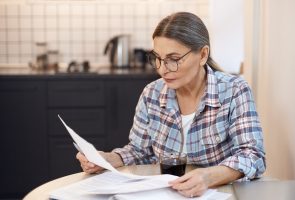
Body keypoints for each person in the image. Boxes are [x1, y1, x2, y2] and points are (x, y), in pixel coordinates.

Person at [77, 12, 266, 198]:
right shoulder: (151, 93)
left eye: (173, 59)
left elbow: (253, 155)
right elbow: (140, 151)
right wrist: (110, 159)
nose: (162, 69)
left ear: (202, 54)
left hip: (219, 193)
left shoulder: (234, 91)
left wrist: (209, 176)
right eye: (157, 58)